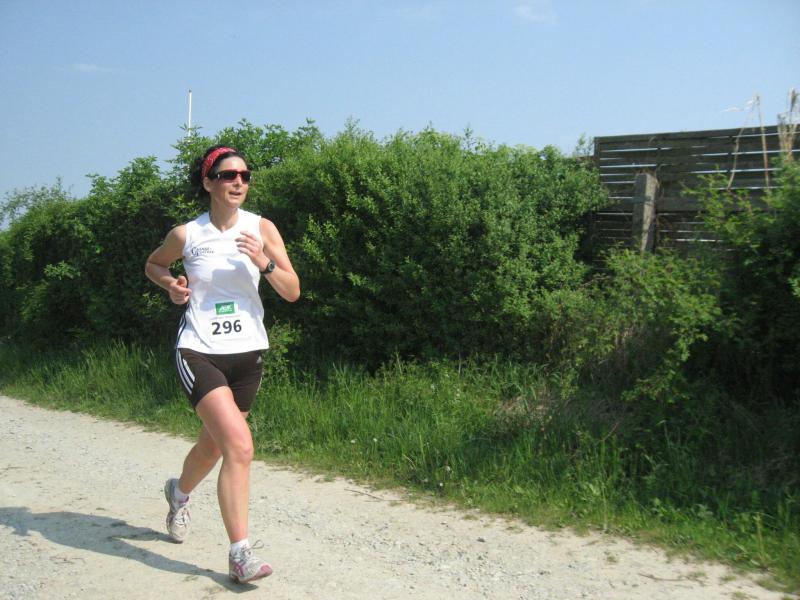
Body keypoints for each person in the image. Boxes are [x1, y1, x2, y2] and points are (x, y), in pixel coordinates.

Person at [144, 145, 300, 584]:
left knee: (215, 446)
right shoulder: (187, 234)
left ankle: (179, 493)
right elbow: (154, 264)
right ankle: (240, 554)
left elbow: (292, 290)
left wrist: (263, 262)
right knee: (240, 447)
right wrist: (171, 285)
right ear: (208, 182)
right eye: (229, 175)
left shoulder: (262, 228)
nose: (239, 183)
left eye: (245, 176)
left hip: (247, 354)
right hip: (199, 350)